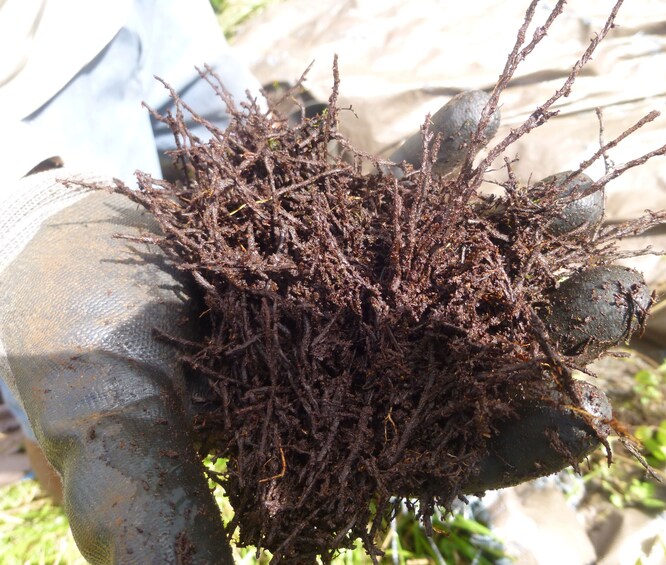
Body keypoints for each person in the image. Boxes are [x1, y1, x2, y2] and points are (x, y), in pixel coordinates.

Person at [0, 1, 629, 562]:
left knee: (236, 143)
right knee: (70, 390)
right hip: (25, 114)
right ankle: (51, 455)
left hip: (137, 17)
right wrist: (19, 212)